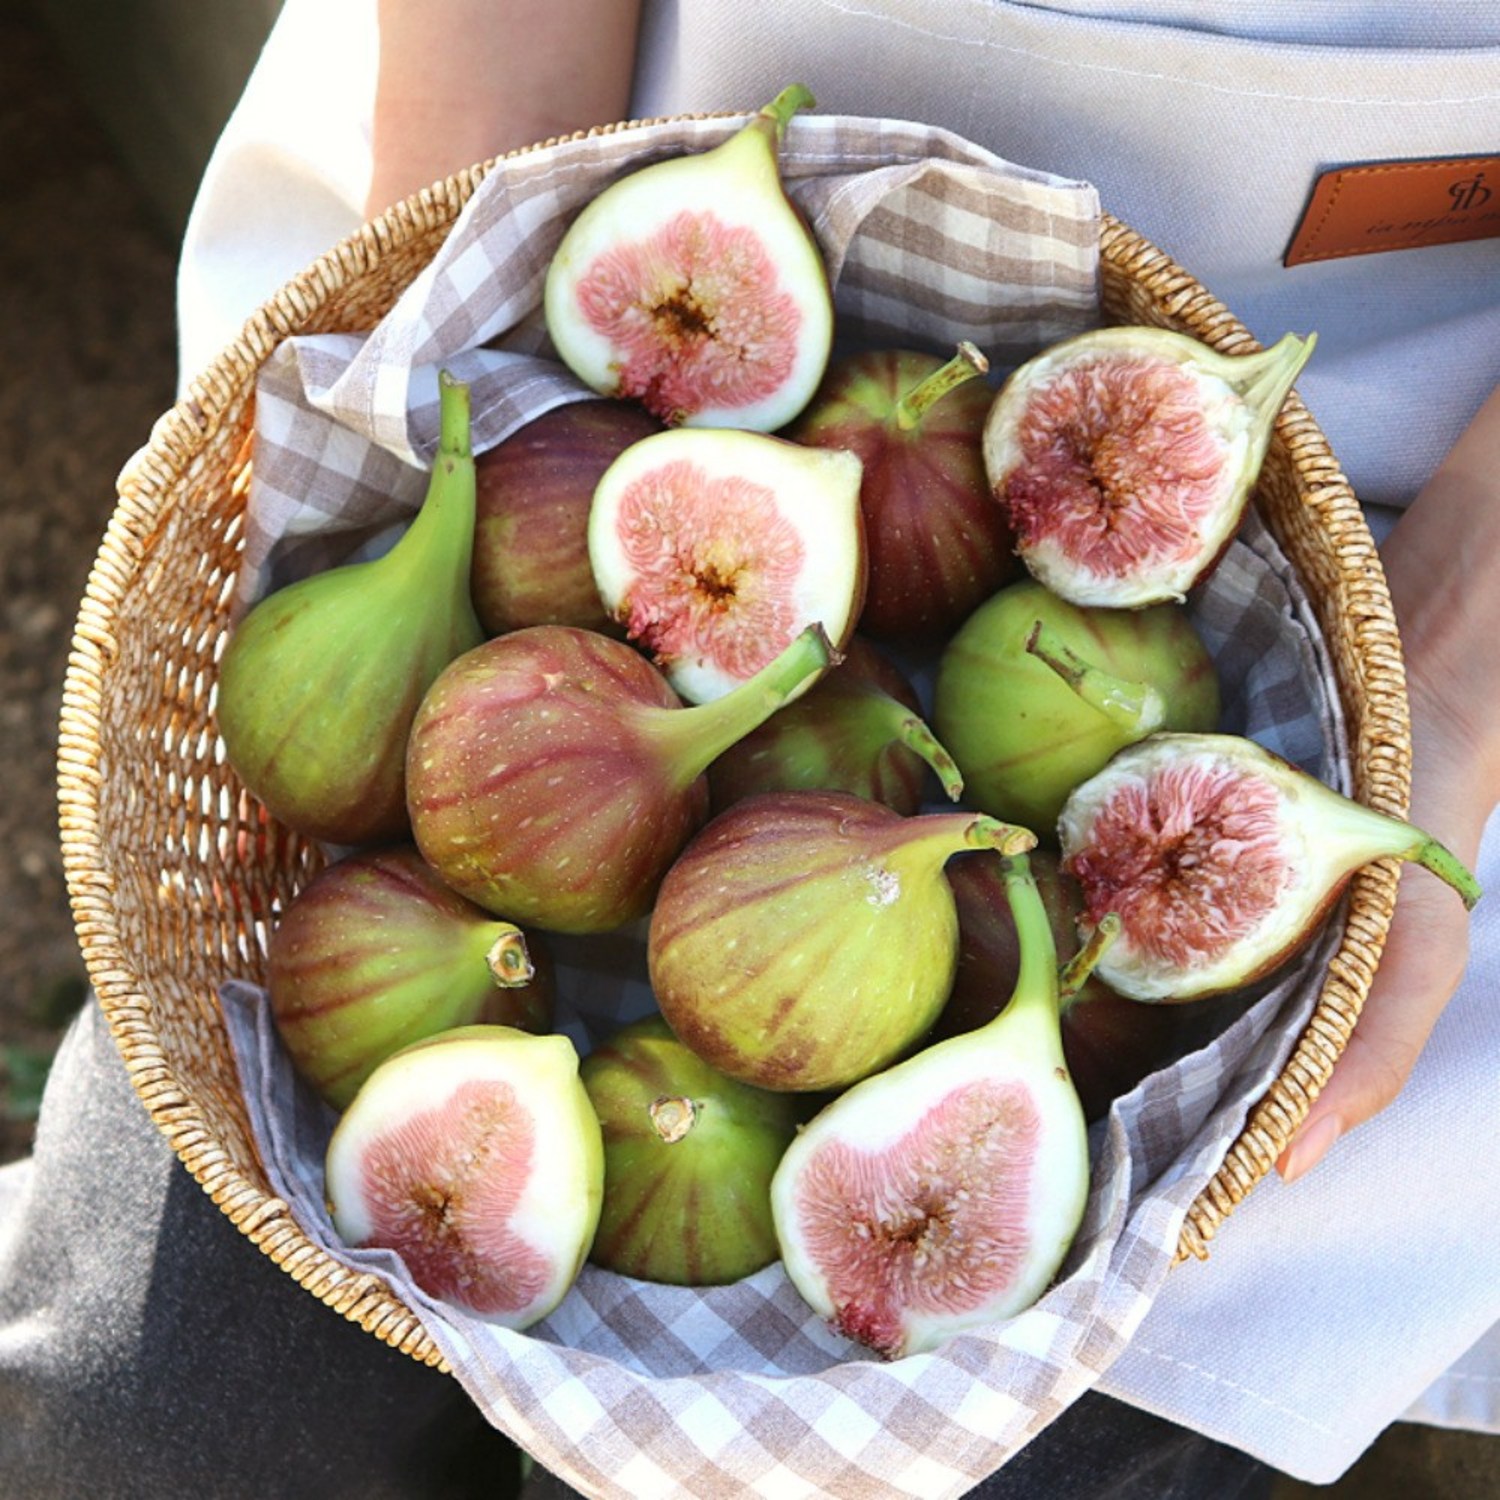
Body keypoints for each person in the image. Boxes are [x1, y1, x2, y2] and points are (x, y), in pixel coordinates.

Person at [5, 2, 1497, 1496]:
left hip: (1391, 526)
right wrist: (448, 310)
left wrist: (1445, 688)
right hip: (623, 179)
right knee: (137, 1431)